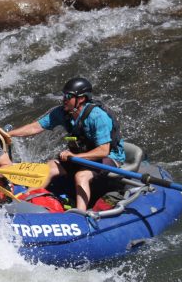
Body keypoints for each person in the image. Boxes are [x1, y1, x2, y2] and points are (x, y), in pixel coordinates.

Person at [7, 77, 125, 211]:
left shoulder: (98, 117)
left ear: (81, 99)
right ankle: (25, 201)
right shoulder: (63, 112)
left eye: (68, 96)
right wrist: (9, 134)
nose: (64, 100)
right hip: (83, 155)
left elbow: (103, 151)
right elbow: (35, 127)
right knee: (49, 166)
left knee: (81, 175)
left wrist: (75, 157)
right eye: (64, 96)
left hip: (110, 157)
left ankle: (80, 215)